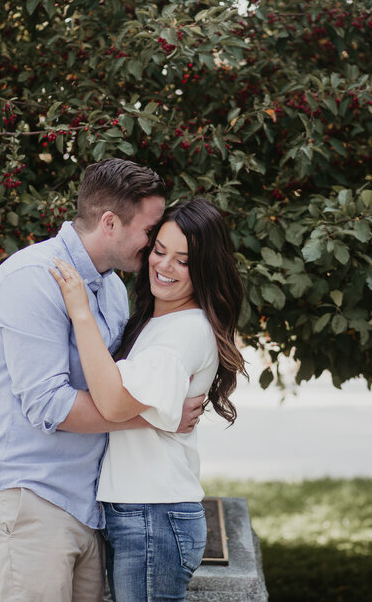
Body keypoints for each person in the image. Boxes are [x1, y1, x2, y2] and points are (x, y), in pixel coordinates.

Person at [0, 158, 205, 602]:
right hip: (26, 500)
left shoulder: (110, 287)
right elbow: (49, 405)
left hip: (82, 505)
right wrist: (156, 417)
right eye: (150, 232)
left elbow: (114, 385)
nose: (153, 247)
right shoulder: (34, 278)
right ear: (110, 222)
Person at [50, 198, 247, 602]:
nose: (164, 266)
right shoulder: (157, 322)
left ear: (205, 268)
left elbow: (115, 404)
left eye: (183, 260)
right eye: (159, 251)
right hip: (141, 513)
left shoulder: (183, 331)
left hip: (153, 515)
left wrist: (81, 314)